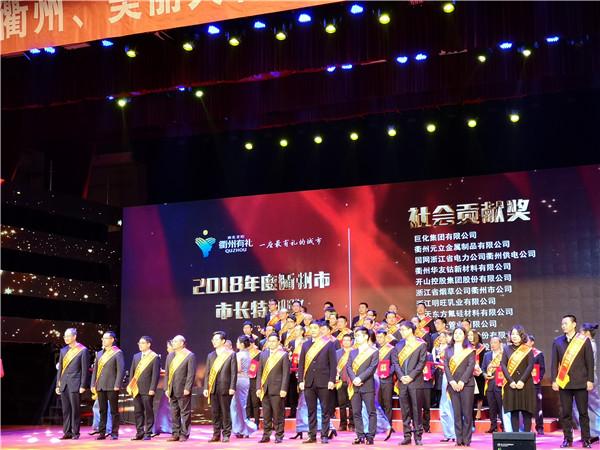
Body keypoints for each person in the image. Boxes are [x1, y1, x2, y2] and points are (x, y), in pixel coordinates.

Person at [551, 315, 594, 448]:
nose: (563, 326)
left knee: (583, 413)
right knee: (566, 413)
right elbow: (554, 363)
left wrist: (590, 380)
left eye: (566, 323)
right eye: (562, 324)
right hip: (564, 383)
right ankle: (567, 439)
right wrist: (554, 380)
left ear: (574, 324)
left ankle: (586, 439)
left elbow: (590, 362)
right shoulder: (557, 341)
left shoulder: (583, 340)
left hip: (581, 382)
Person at [297, 320, 337, 444]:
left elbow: (333, 364)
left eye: (315, 328)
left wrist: (332, 380)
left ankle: (324, 435)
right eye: (311, 328)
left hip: (324, 382)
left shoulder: (329, 344)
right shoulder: (305, 345)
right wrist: (300, 380)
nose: (313, 330)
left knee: (325, 410)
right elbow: (301, 364)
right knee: (311, 410)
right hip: (309, 382)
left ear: (320, 329)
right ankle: (312, 435)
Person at [393, 320, 427, 446]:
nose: (401, 332)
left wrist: (411, 376)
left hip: (415, 381)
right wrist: (401, 376)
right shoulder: (398, 345)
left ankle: (418, 436)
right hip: (402, 382)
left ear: (410, 330)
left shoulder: (421, 344)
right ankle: (407, 436)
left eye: (403, 330)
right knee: (405, 410)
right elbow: (395, 363)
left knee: (417, 409)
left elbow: (422, 363)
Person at [501, 325, 536, 434]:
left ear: (522, 335)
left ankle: (527, 437)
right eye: (513, 334)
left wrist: (522, 381)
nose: (514, 336)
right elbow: (503, 365)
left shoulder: (527, 349)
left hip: (526, 384)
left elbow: (530, 366)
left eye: (517, 334)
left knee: (526, 411)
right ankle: (515, 436)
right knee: (514, 411)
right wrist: (510, 381)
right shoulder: (506, 349)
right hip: (511, 384)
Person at [444, 326, 475, 447]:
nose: (457, 335)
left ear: (464, 336)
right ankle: (459, 439)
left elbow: (470, 366)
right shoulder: (448, 350)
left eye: (460, 333)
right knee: (456, 413)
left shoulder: (469, 349)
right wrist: (451, 381)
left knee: (467, 413)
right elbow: (446, 366)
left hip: (467, 385)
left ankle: (467, 439)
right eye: (455, 333)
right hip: (453, 385)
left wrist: (462, 381)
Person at [347, 327, 378, 445]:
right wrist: (354, 379)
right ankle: (360, 435)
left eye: (359, 335)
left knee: (371, 411)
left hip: (367, 385)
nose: (356, 338)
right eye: (356, 336)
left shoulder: (374, 351)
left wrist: (360, 378)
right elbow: (348, 367)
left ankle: (370, 436)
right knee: (356, 412)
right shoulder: (352, 352)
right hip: (354, 385)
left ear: (366, 337)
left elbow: (372, 368)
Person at [55, 328, 89, 440]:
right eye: (65, 336)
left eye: (68, 336)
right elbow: (60, 369)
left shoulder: (82, 350)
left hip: (75, 383)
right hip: (64, 383)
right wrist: (58, 385)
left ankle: (75, 433)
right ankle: (67, 432)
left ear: (74, 337)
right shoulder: (63, 350)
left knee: (75, 410)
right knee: (66, 410)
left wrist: (83, 385)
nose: (66, 338)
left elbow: (85, 370)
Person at [91, 331, 125, 440]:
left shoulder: (117, 352)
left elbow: (120, 370)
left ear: (112, 340)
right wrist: (93, 384)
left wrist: (117, 384)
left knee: (114, 410)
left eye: (106, 338)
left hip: (112, 386)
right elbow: (95, 371)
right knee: (102, 410)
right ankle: (102, 432)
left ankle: (114, 432)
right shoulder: (99, 353)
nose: (104, 340)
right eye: (103, 338)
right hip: (100, 385)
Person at [203, 331, 236, 443]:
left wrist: (232, 387)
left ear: (223, 341)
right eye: (213, 340)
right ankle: (216, 434)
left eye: (217, 339)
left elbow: (233, 373)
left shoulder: (230, 354)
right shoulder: (210, 355)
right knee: (215, 412)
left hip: (225, 387)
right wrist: (206, 387)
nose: (214, 341)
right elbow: (207, 373)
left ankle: (226, 434)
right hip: (213, 388)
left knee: (225, 412)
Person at [257, 333, 290, 443]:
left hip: (278, 389)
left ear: (278, 342)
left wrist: (284, 389)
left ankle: (279, 435)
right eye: (269, 341)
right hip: (265, 389)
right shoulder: (263, 354)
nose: (271, 343)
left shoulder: (283, 355)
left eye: (273, 341)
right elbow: (259, 372)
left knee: (278, 414)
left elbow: (286, 374)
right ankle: (266, 435)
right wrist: (258, 387)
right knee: (266, 415)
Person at [127, 336, 160, 440]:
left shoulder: (154, 357)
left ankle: (148, 432)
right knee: (138, 411)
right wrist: (131, 386)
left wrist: (152, 388)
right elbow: (132, 372)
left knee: (148, 411)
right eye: (139, 343)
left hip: (147, 389)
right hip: (136, 388)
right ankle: (139, 432)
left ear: (148, 344)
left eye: (142, 343)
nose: (140, 345)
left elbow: (155, 375)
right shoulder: (136, 356)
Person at [166, 335, 196, 442]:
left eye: (175, 341)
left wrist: (188, 387)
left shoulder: (189, 355)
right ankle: (175, 433)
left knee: (185, 412)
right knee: (174, 412)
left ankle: (184, 434)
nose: (173, 343)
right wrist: (166, 388)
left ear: (182, 343)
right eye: (173, 341)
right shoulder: (170, 356)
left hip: (183, 389)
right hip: (172, 389)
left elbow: (191, 374)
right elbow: (167, 374)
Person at [231, 336, 258, 439]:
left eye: (237, 342)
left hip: (238, 380)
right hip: (246, 380)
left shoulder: (238, 355)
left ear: (242, 344)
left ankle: (242, 429)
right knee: (241, 405)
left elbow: (237, 369)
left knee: (236, 406)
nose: (236, 344)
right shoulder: (248, 354)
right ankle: (241, 429)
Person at [435, 331, 456, 443]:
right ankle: (447, 433)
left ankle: (455, 433)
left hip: (454, 378)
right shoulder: (443, 350)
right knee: (444, 406)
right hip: (444, 377)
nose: (446, 339)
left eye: (448, 336)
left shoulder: (457, 350)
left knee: (451, 405)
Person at [375, 329, 395, 438]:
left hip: (387, 379)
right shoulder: (375, 349)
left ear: (386, 337)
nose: (379, 339)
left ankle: (389, 425)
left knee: (387, 403)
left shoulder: (391, 349)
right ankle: (381, 426)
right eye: (377, 337)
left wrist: (388, 374)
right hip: (376, 379)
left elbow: (394, 364)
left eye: (381, 337)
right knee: (378, 403)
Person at [482, 336, 504, 433]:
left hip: (500, 384)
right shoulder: (487, 355)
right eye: (491, 343)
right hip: (489, 384)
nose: (493, 345)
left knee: (501, 406)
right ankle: (493, 426)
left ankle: (504, 426)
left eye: (495, 342)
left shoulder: (503, 355)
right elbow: (483, 368)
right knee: (492, 407)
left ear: (500, 344)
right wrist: (485, 375)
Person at [152, 340, 174, 436]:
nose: (167, 349)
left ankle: (171, 428)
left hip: (173, 386)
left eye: (168, 347)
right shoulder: (169, 357)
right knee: (164, 408)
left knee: (170, 408)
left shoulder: (176, 357)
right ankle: (162, 427)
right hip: (167, 386)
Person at [526, 334, 546, 435]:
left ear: (532, 342)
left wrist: (538, 379)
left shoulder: (538, 354)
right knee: (525, 407)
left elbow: (542, 369)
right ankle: (527, 427)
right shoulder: (521, 354)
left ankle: (540, 427)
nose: (525, 343)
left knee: (537, 407)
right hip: (524, 384)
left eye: (527, 341)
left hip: (535, 384)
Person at [336, 333, 354, 432]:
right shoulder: (337, 353)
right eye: (344, 340)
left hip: (351, 382)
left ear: (351, 342)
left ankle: (352, 424)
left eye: (348, 340)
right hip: (340, 381)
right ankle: (342, 424)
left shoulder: (355, 352)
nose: (346, 342)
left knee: (352, 404)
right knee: (341, 404)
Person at [468, 329, 486, 420]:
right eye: (468, 335)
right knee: (470, 394)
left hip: (479, 373)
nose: (470, 337)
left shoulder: (481, 347)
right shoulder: (465, 347)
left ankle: (479, 411)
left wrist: (479, 370)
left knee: (480, 394)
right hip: (469, 373)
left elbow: (483, 361)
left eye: (472, 335)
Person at [246, 338, 262, 427]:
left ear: (252, 344)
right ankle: (247, 421)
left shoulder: (259, 353)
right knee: (247, 402)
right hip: (245, 379)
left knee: (255, 402)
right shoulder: (244, 353)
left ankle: (256, 421)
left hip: (255, 380)